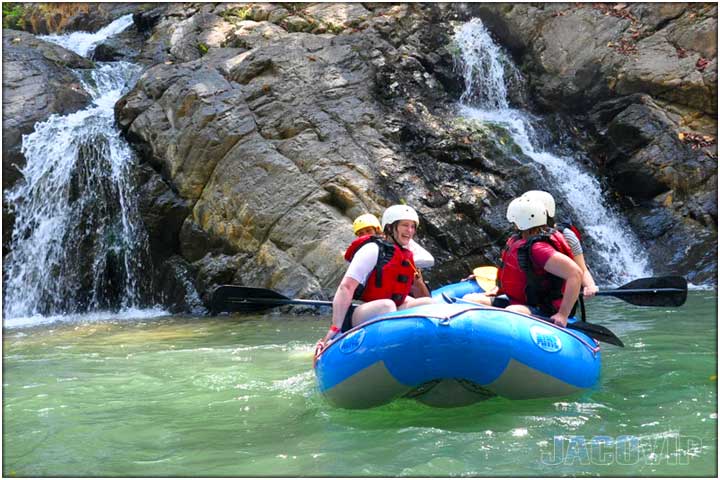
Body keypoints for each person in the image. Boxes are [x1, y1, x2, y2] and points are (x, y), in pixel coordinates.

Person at [321, 205, 435, 345]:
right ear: (389, 227)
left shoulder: (405, 255)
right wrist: (334, 328)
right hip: (360, 311)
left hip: (391, 309)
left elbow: (425, 270)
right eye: (405, 225)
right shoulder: (372, 249)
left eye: (413, 226)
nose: (410, 230)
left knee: (428, 303)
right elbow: (346, 287)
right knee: (386, 306)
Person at [466, 196, 582, 327]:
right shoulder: (519, 240)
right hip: (522, 301)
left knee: (512, 311)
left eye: (514, 220)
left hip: (544, 307)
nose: (512, 223)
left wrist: (563, 314)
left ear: (522, 221)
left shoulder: (539, 249)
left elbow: (575, 274)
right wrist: (499, 289)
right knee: (469, 300)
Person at [521, 190, 599, 298]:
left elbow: (582, 269)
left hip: (554, 298)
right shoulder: (520, 234)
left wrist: (590, 286)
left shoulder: (567, 236)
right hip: (527, 294)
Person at [349, 213, 433, 297]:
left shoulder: (400, 239)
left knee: (414, 276)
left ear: (377, 229)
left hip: (407, 285)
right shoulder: (363, 252)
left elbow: (429, 260)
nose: (366, 235)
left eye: (368, 231)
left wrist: (400, 262)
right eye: (361, 233)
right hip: (383, 292)